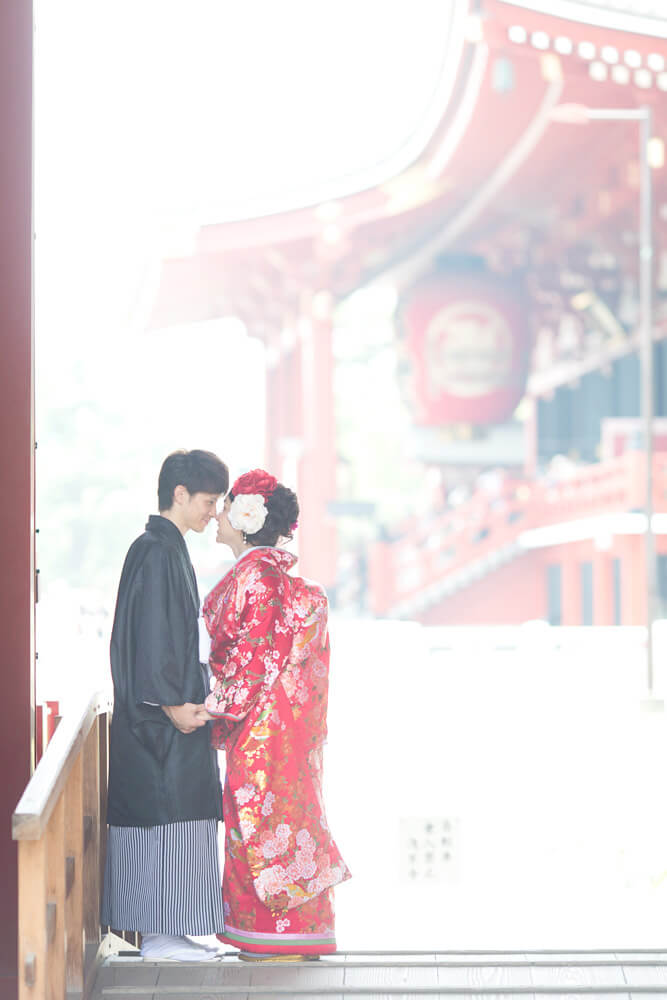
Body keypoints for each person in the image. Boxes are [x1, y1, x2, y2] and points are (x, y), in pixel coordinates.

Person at [201, 469, 350, 961]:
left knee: (262, 821)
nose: (218, 517)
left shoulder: (259, 577)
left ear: (246, 519)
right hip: (285, 723)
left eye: (226, 509)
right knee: (284, 819)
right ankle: (293, 932)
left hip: (262, 725)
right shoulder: (275, 576)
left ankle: (274, 936)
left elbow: (255, 658)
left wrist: (212, 707)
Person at [102, 449, 229, 962]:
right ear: (179, 494)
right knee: (164, 816)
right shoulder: (156, 550)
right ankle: (158, 935)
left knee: (174, 818)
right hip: (157, 722)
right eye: (208, 500)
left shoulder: (164, 546)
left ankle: (169, 932)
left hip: (170, 713)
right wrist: (172, 703)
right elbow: (151, 637)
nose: (213, 512)